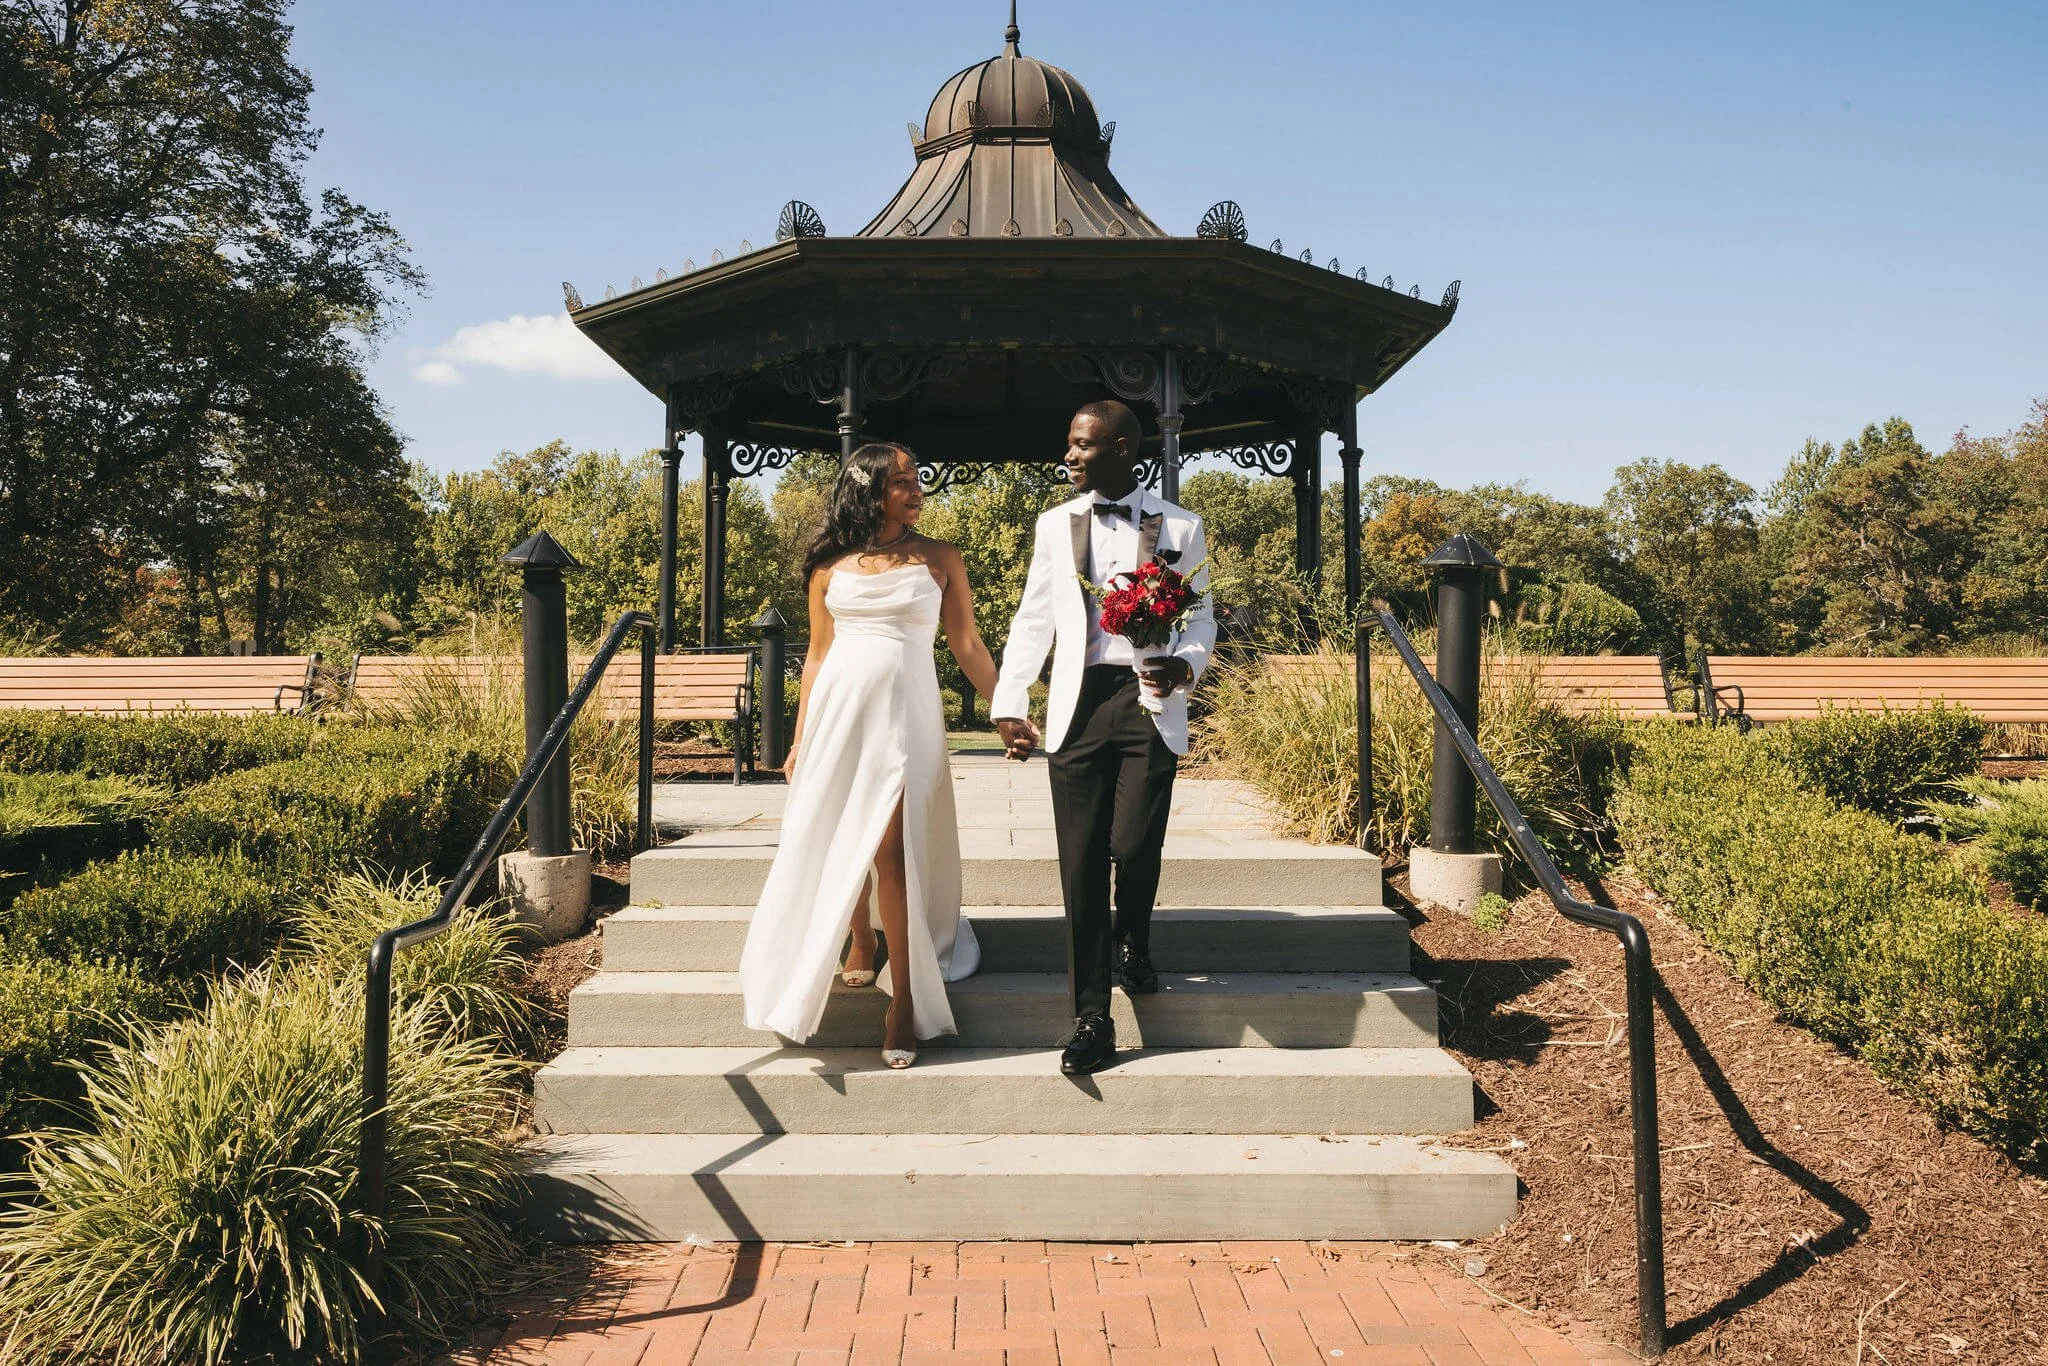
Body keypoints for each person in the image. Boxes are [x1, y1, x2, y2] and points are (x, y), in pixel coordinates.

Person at [737, 441, 999, 1068]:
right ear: (869, 490)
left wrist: (1005, 708)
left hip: (906, 718)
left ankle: (905, 999)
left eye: (917, 479)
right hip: (838, 714)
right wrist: (799, 740)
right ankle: (858, 937)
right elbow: (819, 658)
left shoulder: (940, 559)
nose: (916, 491)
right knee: (834, 827)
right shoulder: (828, 567)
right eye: (903, 482)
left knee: (891, 845)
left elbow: (966, 642)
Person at [990, 400, 1216, 1075]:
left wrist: (1187, 664)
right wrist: (1010, 697)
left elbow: (1202, 620)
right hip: (1078, 702)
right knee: (1083, 859)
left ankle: (1133, 939)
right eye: (1070, 442)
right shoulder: (1054, 525)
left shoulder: (1182, 525)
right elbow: (1034, 617)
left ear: (1121, 447)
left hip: (1149, 698)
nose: (1071, 454)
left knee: (1133, 843)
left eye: (1082, 443)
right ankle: (1092, 1015)